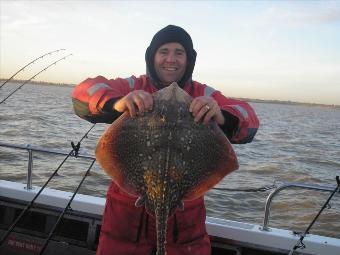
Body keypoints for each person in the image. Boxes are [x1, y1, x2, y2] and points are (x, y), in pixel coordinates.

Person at [72, 25, 259, 255]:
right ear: (152, 57)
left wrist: (221, 115)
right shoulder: (134, 86)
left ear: (188, 59)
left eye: (179, 52)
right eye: (164, 51)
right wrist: (118, 103)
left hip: (185, 226)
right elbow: (83, 92)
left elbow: (249, 118)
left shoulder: (203, 94)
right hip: (125, 222)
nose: (171, 59)